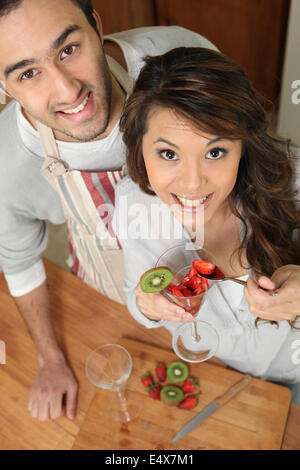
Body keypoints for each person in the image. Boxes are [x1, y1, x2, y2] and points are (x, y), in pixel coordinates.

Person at [0, 0, 218, 421]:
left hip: (224, 270)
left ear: (96, 25)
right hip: (113, 299)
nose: (68, 92)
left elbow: (245, 150)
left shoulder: (179, 57)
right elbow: (21, 263)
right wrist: (51, 359)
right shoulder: (6, 163)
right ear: (4, 85)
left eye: (68, 49)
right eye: (28, 73)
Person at [113, 46, 300, 405]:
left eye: (215, 152)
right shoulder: (132, 205)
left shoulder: (291, 181)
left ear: (243, 145)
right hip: (221, 374)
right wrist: (147, 307)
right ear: (140, 148)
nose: (193, 184)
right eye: (168, 154)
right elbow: (136, 295)